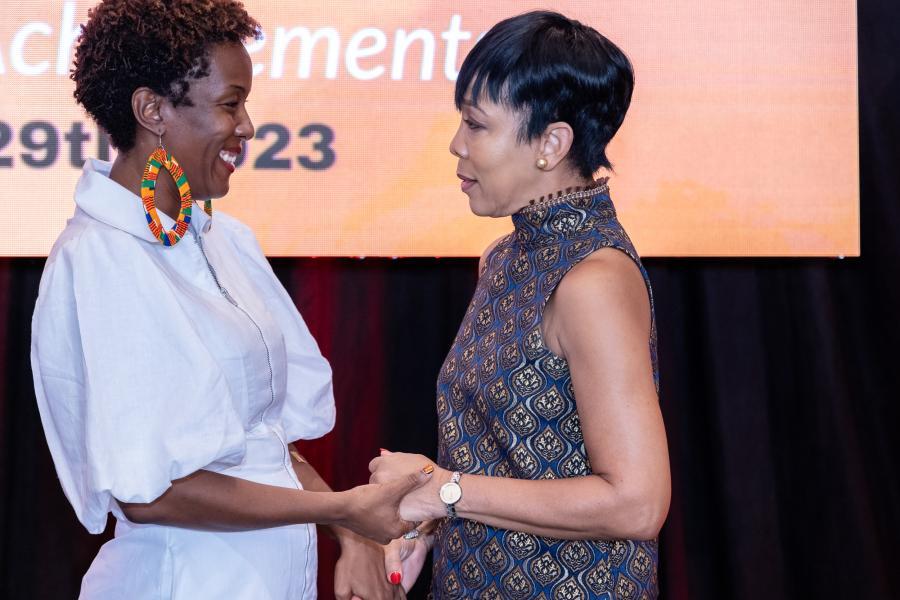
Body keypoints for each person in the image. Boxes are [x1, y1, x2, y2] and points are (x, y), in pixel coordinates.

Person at [30, 1, 426, 598]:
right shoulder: (100, 260)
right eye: (230, 103)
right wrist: (347, 508)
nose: (246, 126)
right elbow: (152, 494)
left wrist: (353, 531)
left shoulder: (222, 238)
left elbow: (263, 443)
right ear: (151, 110)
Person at [369, 10, 671, 598]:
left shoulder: (592, 279)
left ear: (552, 143)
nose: (456, 144)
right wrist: (432, 521)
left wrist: (444, 488)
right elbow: (506, 460)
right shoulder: (504, 258)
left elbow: (637, 503)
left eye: (476, 125)